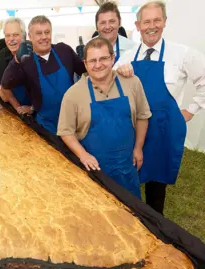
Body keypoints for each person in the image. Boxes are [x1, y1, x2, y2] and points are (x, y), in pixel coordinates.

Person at [115, 1, 205, 214]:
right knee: (131, 181)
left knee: (156, 188)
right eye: (146, 21)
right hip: (134, 132)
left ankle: (155, 223)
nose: (151, 26)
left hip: (163, 132)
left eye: (157, 20)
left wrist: (190, 110)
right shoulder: (127, 58)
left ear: (164, 22)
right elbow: (109, 88)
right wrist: (120, 75)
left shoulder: (182, 54)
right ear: (138, 26)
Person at [58, 37, 151, 198]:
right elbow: (66, 132)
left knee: (133, 216)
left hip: (126, 167)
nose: (98, 64)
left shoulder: (132, 83)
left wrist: (138, 147)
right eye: (92, 60)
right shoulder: (73, 95)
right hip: (94, 172)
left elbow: (142, 116)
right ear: (85, 64)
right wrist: (83, 155)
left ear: (113, 58)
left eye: (103, 58)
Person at [1, 15, 87, 134]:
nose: (44, 37)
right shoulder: (26, 61)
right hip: (47, 126)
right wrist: (16, 59)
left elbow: (84, 71)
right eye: (39, 33)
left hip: (73, 120)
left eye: (47, 32)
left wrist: (87, 58)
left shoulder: (63, 50)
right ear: (30, 37)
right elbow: (6, 83)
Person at [0, 17, 31, 108]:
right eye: (7, 35)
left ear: (24, 36)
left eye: (15, 35)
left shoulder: (34, 51)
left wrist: (32, 108)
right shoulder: (2, 55)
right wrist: (18, 109)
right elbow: (4, 88)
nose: (11, 39)